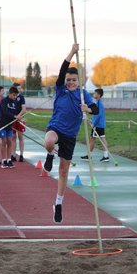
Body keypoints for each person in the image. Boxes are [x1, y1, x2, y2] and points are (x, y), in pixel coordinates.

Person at [43, 43, 99, 223]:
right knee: (49, 142)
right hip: (56, 128)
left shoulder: (84, 94)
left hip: (70, 136)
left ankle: (58, 203)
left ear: (78, 81)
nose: (71, 82)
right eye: (69, 80)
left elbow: (95, 109)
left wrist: (87, 109)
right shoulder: (61, 90)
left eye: (74, 80)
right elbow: (62, 71)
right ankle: (49, 155)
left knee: (64, 171)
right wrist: (72, 52)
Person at [0, 86, 24, 169]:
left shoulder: (14, 102)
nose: (15, 97)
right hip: (2, 125)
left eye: (16, 95)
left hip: (9, 125)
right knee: (4, 142)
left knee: (10, 142)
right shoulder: (4, 101)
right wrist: (15, 116)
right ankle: (3, 160)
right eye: (13, 95)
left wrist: (21, 119)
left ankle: (9, 160)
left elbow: (15, 113)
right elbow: (5, 112)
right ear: (9, 94)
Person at [81, 88, 110, 162]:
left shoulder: (99, 103)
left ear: (99, 95)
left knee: (93, 139)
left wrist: (94, 124)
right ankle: (105, 155)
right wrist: (91, 120)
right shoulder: (98, 103)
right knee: (99, 139)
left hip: (98, 125)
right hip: (99, 124)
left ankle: (90, 156)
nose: (93, 95)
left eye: (95, 93)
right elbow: (96, 115)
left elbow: (99, 115)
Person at [11, 82, 26, 162]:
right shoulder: (11, 97)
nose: (20, 90)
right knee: (13, 138)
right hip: (12, 120)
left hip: (20, 119)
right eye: (18, 88)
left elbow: (24, 109)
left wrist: (19, 116)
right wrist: (14, 117)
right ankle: (13, 154)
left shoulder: (21, 97)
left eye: (20, 88)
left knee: (20, 137)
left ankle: (21, 155)